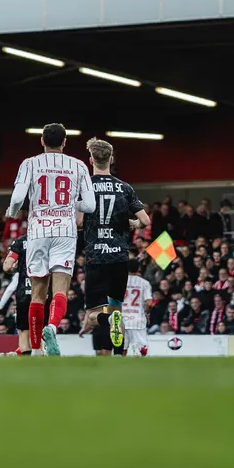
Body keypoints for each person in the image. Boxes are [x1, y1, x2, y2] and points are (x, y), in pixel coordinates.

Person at [5, 123, 93, 356]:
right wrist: (70, 204)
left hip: (38, 231)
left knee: (37, 293)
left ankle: (35, 351)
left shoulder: (29, 163)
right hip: (65, 231)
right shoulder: (79, 165)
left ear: (42, 141)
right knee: (60, 290)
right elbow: (90, 205)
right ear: (65, 142)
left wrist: (12, 212)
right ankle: (52, 327)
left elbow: (18, 197)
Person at [78, 137, 149, 356]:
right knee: (117, 308)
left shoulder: (85, 186)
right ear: (111, 159)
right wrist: (133, 224)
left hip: (96, 257)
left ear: (91, 160)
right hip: (119, 257)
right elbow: (145, 220)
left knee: (93, 316)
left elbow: (79, 222)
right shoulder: (124, 187)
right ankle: (119, 355)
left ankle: (109, 319)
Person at [0, 237, 31, 355]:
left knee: (24, 331)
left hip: (24, 294)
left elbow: (7, 267)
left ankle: (27, 360)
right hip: (43, 293)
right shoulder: (47, 240)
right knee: (41, 329)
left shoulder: (20, 242)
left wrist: (17, 267)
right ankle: (43, 357)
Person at [121, 267, 152, 357]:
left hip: (122, 317)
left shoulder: (119, 281)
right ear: (138, 268)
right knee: (142, 348)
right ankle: (141, 361)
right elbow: (149, 303)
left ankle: (122, 364)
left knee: (123, 347)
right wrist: (147, 313)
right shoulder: (144, 283)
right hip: (138, 318)